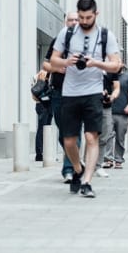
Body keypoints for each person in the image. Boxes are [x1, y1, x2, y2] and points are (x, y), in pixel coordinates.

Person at [50, 0, 121, 197]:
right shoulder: (67, 33)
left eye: (88, 17)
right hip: (70, 93)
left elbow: (116, 65)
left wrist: (96, 63)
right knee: (69, 141)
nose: (83, 21)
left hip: (93, 92)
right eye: (81, 17)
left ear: (96, 14)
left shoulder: (106, 35)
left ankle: (87, 182)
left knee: (92, 137)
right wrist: (66, 62)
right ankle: (77, 169)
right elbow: (52, 62)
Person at [43, 12, 79, 183]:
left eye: (76, 20)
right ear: (66, 22)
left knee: (74, 131)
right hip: (58, 92)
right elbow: (45, 64)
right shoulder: (59, 40)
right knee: (63, 133)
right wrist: (58, 68)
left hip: (78, 93)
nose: (73, 22)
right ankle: (74, 159)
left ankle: (69, 169)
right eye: (70, 20)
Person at [107, 68, 128, 168]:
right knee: (108, 136)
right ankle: (108, 159)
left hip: (122, 112)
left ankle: (118, 159)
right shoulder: (107, 76)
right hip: (108, 111)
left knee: (120, 138)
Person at [95, 72, 120, 177]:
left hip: (106, 106)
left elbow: (117, 87)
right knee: (90, 135)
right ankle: (85, 163)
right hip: (89, 103)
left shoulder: (111, 68)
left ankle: (98, 165)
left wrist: (112, 97)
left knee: (104, 136)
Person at [33, 70, 53, 162]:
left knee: (45, 129)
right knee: (43, 129)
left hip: (41, 104)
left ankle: (44, 154)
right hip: (44, 105)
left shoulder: (37, 75)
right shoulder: (43, 75)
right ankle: (40, 154)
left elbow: (34, 95)